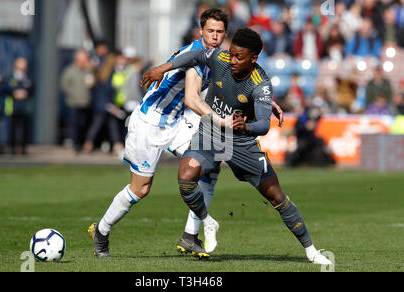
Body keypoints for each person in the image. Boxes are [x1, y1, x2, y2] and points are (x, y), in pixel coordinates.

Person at [88, 8, 284, 259]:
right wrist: (223, 121)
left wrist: (265, 103)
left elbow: (238, 84)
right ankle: (102, 231)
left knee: (210, 164)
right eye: (210, 30)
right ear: (200, 31)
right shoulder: (194, 55)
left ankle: (190, 236)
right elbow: (192, 99)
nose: (214, 36)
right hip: (150, 122)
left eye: (220, 31)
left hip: (177, 123)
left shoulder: (220, 57)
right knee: (141, 189)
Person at [142, 27, 332, 265]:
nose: (232, 60)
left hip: (241, 142)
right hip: (210, 133)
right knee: (185, 177)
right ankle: (207, 221)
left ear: (253, 59)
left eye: (238, 57)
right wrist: (163, 67)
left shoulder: (260, 84)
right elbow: (195, 56)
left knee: (276, 196)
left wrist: (245, 127)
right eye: (231, 54)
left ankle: (311, 251)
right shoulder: (221, 58)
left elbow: (263, 123)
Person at [60, 50, 95, 153]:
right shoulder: (70, 70)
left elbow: (92, 83)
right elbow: (64, 85)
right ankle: (74, 145)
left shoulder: (88, 71)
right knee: (73, 125)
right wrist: (72, 95)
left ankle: (81, 144)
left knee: (83, 124)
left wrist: (91, 69)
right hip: (73, 103)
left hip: (85, 102)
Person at [6, 57, 33, 155]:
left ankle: (23, 148)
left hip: (25, 106)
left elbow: (32, 90)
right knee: (12, 127)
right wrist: (14, 93)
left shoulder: (28, 78)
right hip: (13, 106)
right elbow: (6, 89)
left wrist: (26, 93)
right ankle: (12, 148)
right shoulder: (11, 78)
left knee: (24, 128)